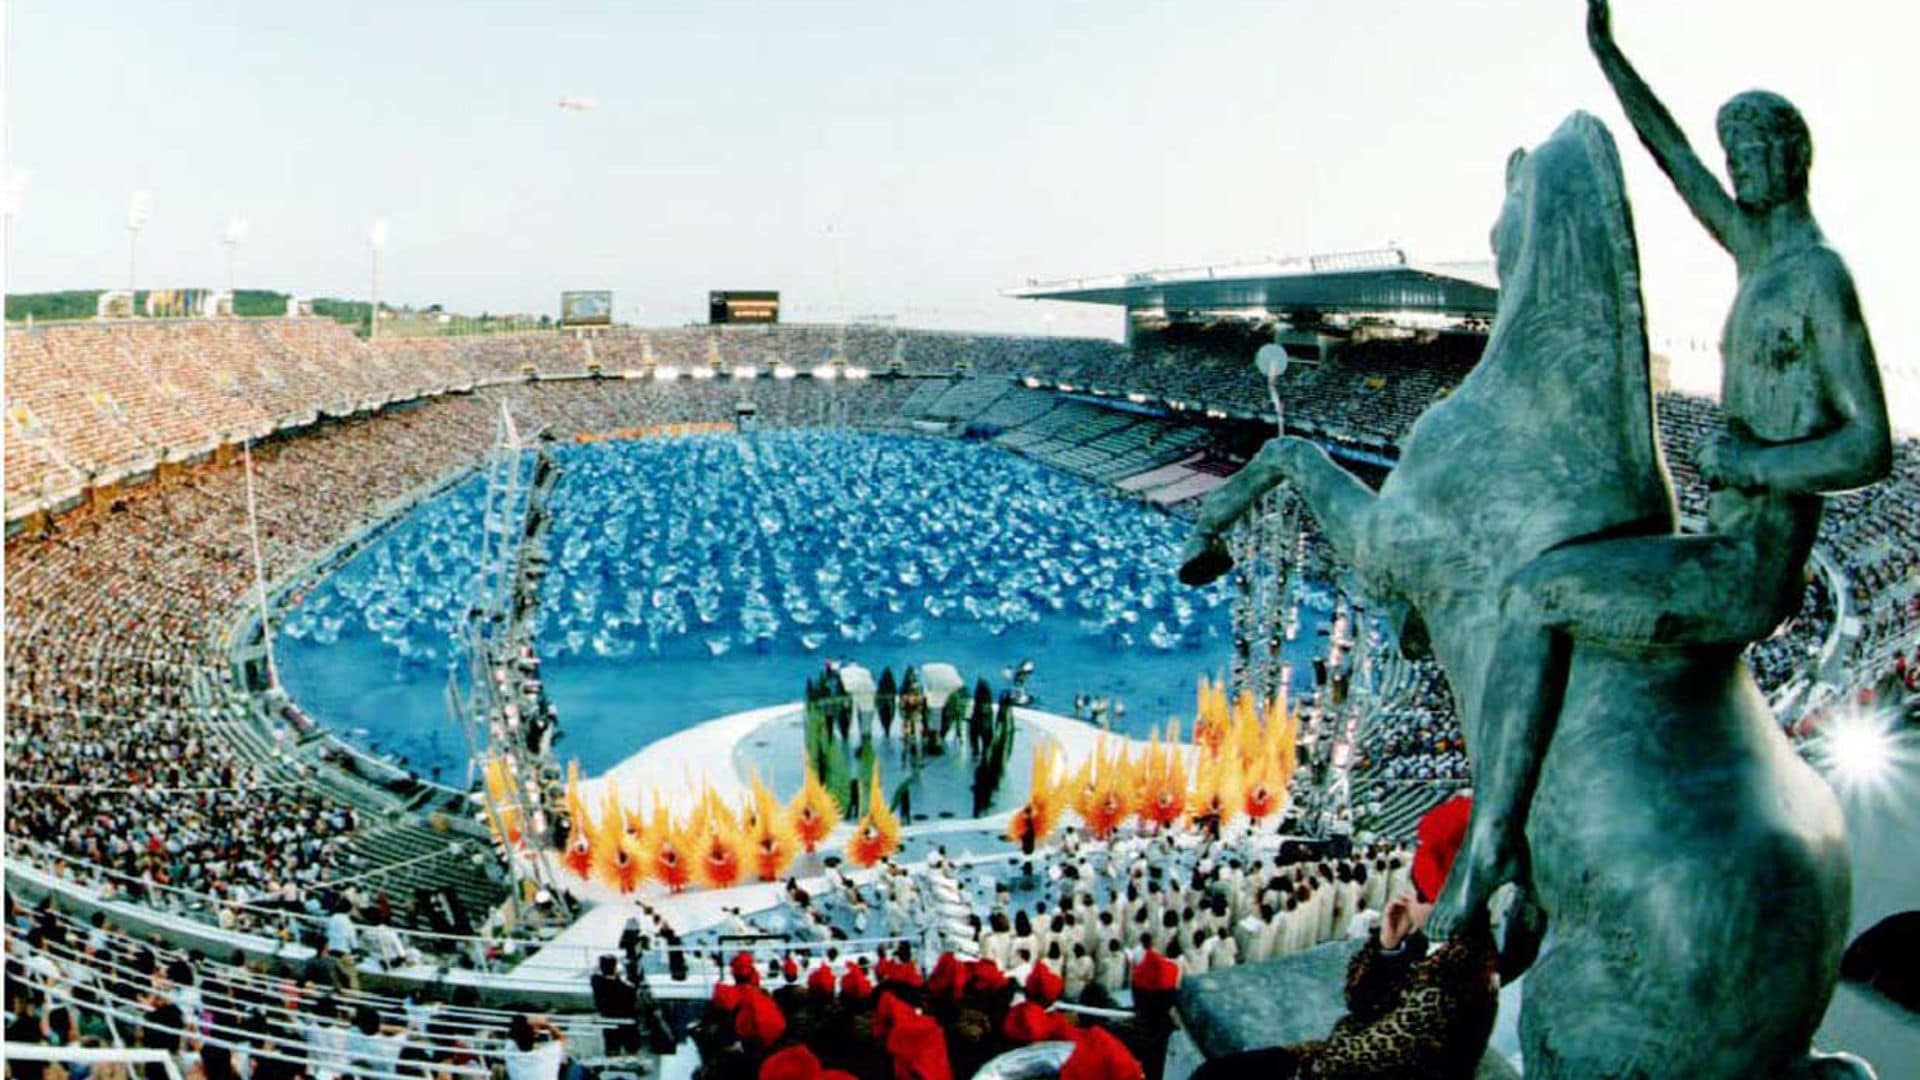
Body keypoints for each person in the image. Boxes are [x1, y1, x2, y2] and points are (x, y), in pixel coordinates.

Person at [1425, 0, 1894, 939]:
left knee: (1531, 595)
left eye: (1753, 152)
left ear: (1794, 158)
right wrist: (1609, 53)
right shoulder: (1759, 254)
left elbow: (1870, 445)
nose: (1736, 170)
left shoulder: (1817, 277)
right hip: (1718, 538)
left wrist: (1756, 461)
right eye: (1733, 156)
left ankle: (1492, 850)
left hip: (1744, 566)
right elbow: (1671, 158)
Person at [590, 954, 641, 1056]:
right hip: (625, 1017)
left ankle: (613, 1052)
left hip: (607, 1015)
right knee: (630, 1039)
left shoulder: (596, 981)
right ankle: (631, 1053)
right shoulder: (625, 987)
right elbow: (632, 992)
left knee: (611, 1040)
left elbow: (595, 975)